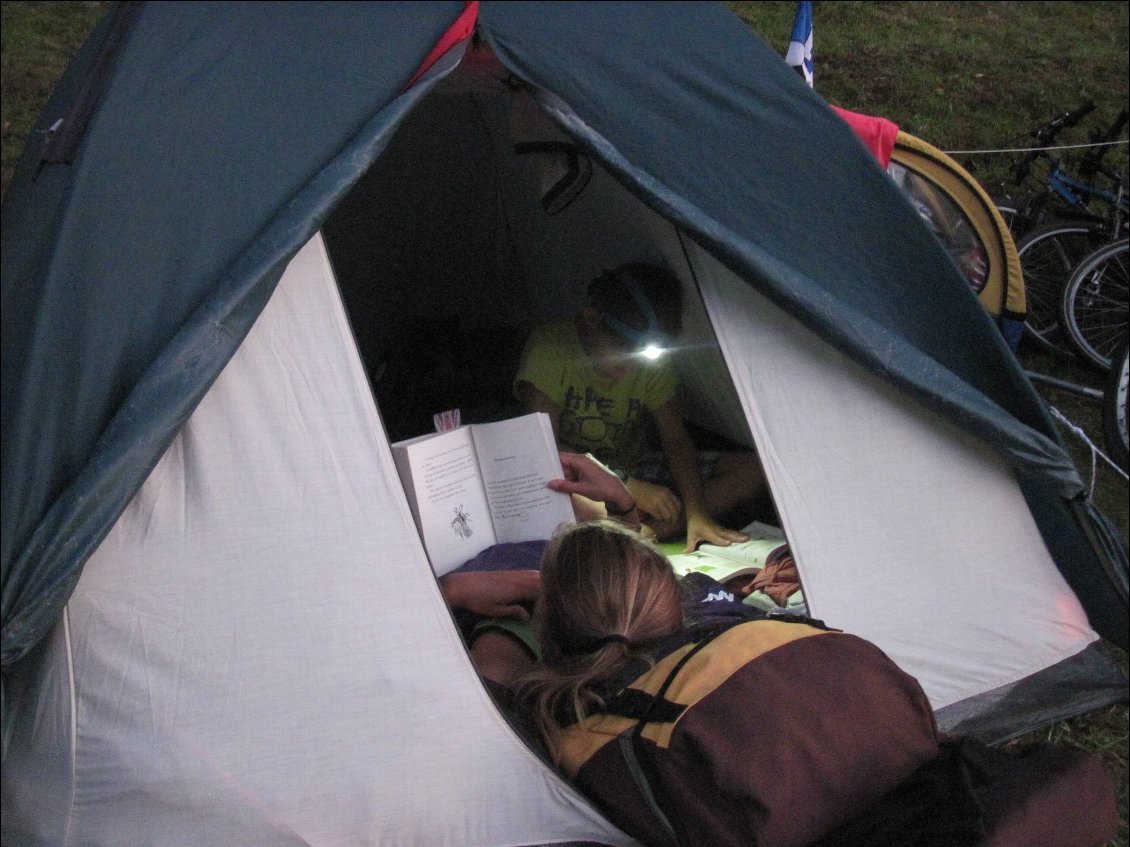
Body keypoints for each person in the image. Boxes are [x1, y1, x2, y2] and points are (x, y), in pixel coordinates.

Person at [513, 262, 765, 552]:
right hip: (576, 475)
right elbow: (542, 450)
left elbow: (675, 439)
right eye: (622, 354)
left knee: (754, 469)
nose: (630, 367)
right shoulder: (550, 351)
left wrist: (697, 511)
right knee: (561, 494)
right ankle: (635, 532)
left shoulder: (649, 360)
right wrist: (626, 488)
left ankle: (648, 530)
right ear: (591, 319)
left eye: (639, 359)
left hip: (637, 464)